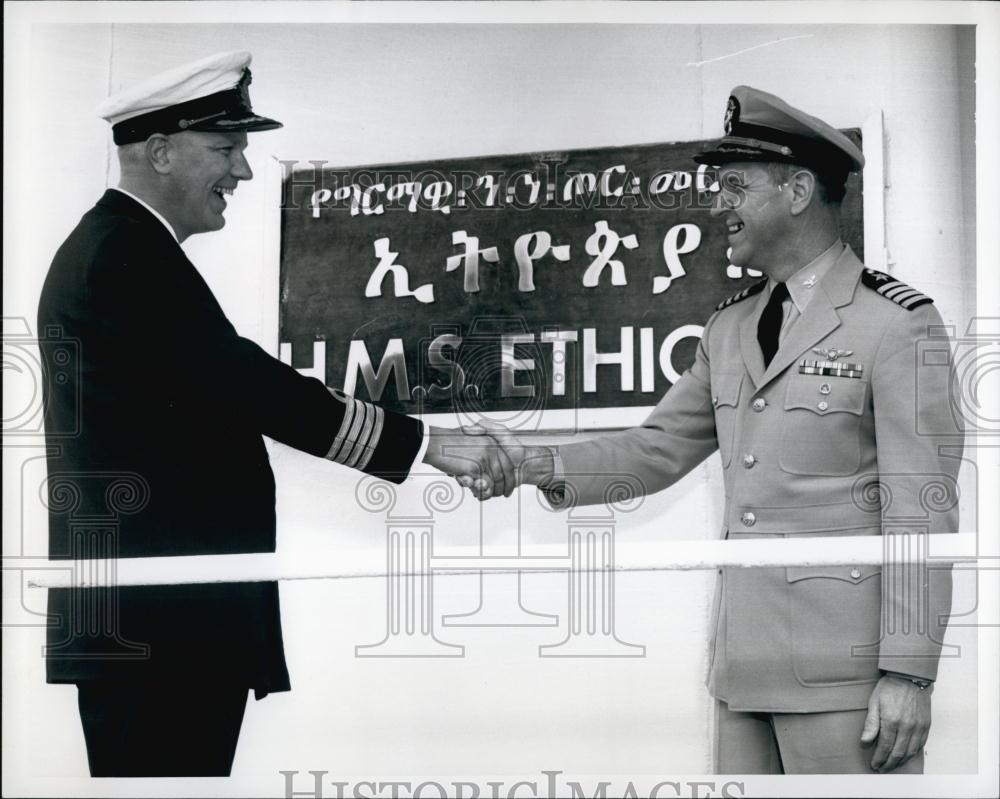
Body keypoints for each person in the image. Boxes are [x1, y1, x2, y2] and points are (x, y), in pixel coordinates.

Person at [38, 50, 505, 777]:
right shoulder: (123, 256)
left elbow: (222, 383)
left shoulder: (121, 250)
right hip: (160, 627)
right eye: (226, 148)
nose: (244, 172)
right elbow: (243, 381)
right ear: (159, 152)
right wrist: (425, 446)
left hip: (156, 625)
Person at [471, 86, 963, 774]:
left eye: (734, 185)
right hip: (743, 673)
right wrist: (531, 461)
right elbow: (657, 447)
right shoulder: (731, 326)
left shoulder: (896, 322)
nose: (715, 204)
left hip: (848, 681)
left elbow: (923, 508)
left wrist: (909, 673)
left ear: (797, 190)